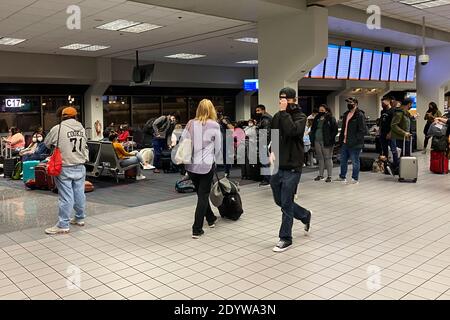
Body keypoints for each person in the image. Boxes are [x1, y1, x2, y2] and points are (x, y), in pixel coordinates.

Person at [270, 87, 312, 252]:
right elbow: (273, 134)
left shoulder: (301, 117)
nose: (282, 101)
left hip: (293, 166)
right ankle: (304, 215)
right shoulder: (277, 116)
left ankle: (285, 238)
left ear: (294, 100)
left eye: (286, 99)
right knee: (279, 200)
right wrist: (271, 150)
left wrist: (284, 113)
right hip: (278, 165)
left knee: (286, 202)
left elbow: (292, 131)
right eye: (281, 98)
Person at [44, 107, 89, 235]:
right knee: (79, 193)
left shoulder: (57, 129)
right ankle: (80, 218)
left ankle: (63, 225)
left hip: (64, 166)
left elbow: (47, 143)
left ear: (62, 116)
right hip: (80, 165)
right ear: (75, 117)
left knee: (66, 196)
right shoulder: (82, 128)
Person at [181, 99, 222, 239]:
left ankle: (210, 218)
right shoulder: (214, 125)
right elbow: (218, 148)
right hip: (205, 165)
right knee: (203, 196)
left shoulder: (190, 123)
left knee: (200, 194)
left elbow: (183, 142)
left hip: (190, 166)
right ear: (212, 110)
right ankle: (197, 229)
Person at [337, 97, 367, 184]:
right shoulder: (346, 114)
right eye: (348, 102)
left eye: (351, 102)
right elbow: (343, 128)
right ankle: (342, 176)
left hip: (355, 143)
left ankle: (355, 178)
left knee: (355, 161)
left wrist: (356, 139)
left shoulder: (359, 115)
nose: (349, 104)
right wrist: (341, 140)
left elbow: (362, 130)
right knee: (343, 160)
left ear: (356, 104)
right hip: (345, 141)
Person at [310, 104, 338, 182]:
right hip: (317, 140)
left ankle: (329, 176)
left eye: (322, 111)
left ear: (326, 110)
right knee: (320, 158)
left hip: (326, 141)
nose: (320, 112)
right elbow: (313, 129)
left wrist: (330, 138)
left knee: (328, 158)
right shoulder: (317, 118)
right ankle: (320, 175)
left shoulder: (331, 118)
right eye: (319, 111)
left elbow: (334, 130)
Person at [255, 104, 272, 186]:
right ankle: (267, 178)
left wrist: (262, 141)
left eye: (258, 110)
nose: (257, 112)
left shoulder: (265, 118)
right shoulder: (264, 118)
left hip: (264, 141)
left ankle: (267, 179)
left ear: (263, 110)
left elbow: (266, 132)